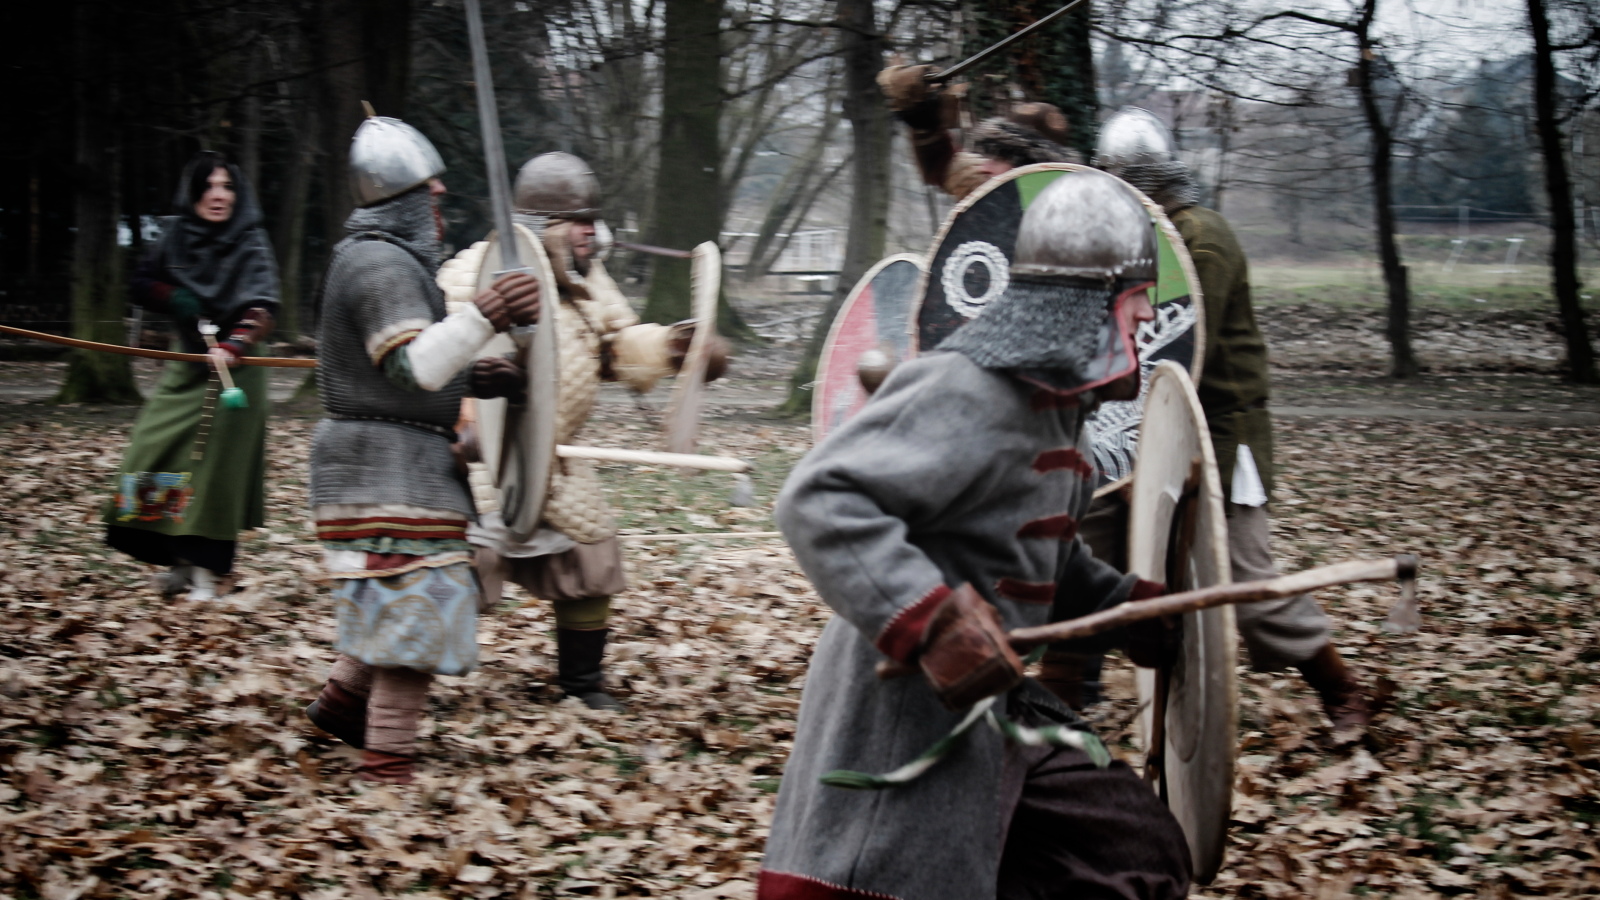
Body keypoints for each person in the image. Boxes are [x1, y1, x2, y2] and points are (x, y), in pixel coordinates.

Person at [759, 170, 1191, 900]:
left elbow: (1032, 554)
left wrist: (1132, 607)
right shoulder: (966, 388)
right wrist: (931, 620)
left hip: (995, 712)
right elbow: (820, 498)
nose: (1151, 316)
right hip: (901, 709)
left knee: (1135, 850)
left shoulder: (1062, 410)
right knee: (883, 879)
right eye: (1139, 297)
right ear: (1099, 302)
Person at [1081, 107, 1378, 743]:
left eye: (1118, 175)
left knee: (1247, 580)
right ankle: (1066, 695)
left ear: (1139, 176)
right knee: (1092, 556)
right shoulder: (1134, 242)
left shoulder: (1201, 236)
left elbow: (1184, 352)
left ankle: (1341, 690)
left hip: (1221, 431)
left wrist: (1146, 452)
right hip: (1143, 432)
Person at [437, 151, 729, 711]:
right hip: (483, 457)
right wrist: (468, 429)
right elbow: (446, 355)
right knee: (456, 566)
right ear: (545, 226)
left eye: (593, 220)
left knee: (591, 555)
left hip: (558, 456)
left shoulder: (587, 280)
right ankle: (402, 676)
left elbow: (616, 347)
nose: (592, 234)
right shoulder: (472, 272)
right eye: (581, 222)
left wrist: (676, 348)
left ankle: (582, 684)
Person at [300, 115, 539, 784]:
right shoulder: (378, 262)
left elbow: (408, 374)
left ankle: (342, 708)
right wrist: (487, 313)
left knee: (394, 600)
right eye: (433, 197)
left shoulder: (383, 258)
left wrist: (476, 375)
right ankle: (387, 768)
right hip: (384, 471)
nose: (440, 210)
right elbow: (411, 369)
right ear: (409, 200)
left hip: (395, 466)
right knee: (414, 614)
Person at [106, 151, 278, 602]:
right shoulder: (176, 235)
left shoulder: (250, 240)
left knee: (214, 474)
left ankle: (208, 574)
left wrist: (233, 345)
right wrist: (175, 296)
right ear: (194, 192)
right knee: (152, 452)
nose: (218, 196)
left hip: (237, 374)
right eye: (209, 186)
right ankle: (177, 561)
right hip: (186, 365)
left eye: (227, 187)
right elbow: (142, 281)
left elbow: (262, 309)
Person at [877, 63, 1075, 201]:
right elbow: (942, 166)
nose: (985, 167)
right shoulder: (985, 184)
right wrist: (923, 117)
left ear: (1029, 170)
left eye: (1001, 157)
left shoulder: (1071, 218)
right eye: (991, 155)